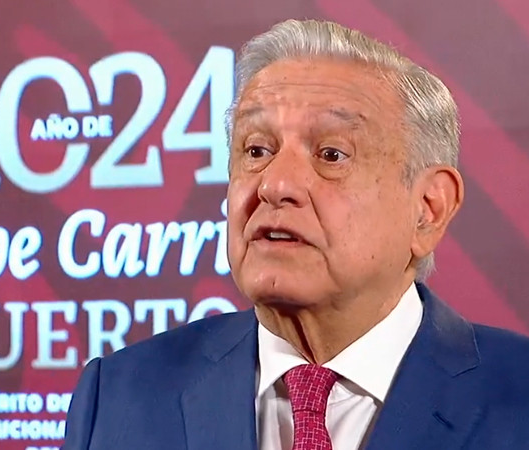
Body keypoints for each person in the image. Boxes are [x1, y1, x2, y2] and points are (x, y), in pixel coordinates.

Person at [62, 19, 529, 450]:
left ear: (428, 209)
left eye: (331, 155)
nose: (275, 184)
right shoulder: (118, 396)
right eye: (256, 150)